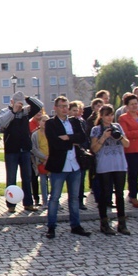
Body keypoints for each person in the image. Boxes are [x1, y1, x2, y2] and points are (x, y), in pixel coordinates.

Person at [43, 96, 91, 239]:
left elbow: (83, 138)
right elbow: (55, 144)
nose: (65, 109)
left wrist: (68, 138)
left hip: (75, 165)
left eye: (66, 106)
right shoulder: (51, 123)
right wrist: (72, 140)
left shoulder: (75, 121)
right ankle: (51, 226)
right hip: (59, 166)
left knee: (74, 198)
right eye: (62, 106)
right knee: (55, 197)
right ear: (55, 108)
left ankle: (75, 225)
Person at [0, 91, 43, 213]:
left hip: (25, 150)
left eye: (21, 104)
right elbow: (2, 123)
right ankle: (11, 204)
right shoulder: (4, 112)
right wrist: (13, 111)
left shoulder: (26, 112)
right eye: (17, 103)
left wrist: (27, 98)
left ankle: (28, 203)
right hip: (11, 150)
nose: (20, 106)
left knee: (27, 178)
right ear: (11, 102)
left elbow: (39, 105)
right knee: (11, 178)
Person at [90, 105, 130, 235]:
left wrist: (120, 137)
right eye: (107, 115)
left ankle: (122, 223)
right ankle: (104, 223)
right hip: (104, 165)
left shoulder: (117, 127)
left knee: (119, 194)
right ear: (101, 116)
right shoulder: (96, 129)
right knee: (105, 194)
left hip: (119, 164)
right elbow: (94, 149)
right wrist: (104, 137)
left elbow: (127, 144)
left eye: (111, 114)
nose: (110, 117)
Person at [30, 114, 50, 207]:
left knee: (54, 182)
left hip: (52, 161)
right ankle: (45, 201)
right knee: (43, 182)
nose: (45, 123)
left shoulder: (51, 133)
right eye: (43, 121)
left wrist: (49, 158)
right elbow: (34, 149)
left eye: (47, 121)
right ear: (39, 122)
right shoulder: (35, 135)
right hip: (41, 161)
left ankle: (54, 201)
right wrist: (44, 158)